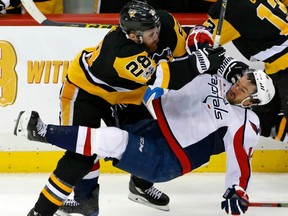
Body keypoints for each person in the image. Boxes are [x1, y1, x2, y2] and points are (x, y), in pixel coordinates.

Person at [20, 0, 226, 215]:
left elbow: (186, 52)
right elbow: (168, 78)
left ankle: (141, 186)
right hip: (85, 91)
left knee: (151, 137)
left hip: (125, 93)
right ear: (133, 36)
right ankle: (52, 208)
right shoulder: (120, 52)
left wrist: (199, 39)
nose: (156, 35)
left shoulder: (164, 22)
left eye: (156, 29)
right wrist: (202, 63)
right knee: (81, 156)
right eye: (150, 33)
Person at [15, 69, 275, 216]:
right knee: (110, 100)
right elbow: (191, 55)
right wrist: (201, 40)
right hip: (154, 124)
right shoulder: (216, 79)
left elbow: (241, 157)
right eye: (240, 81)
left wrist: (237, 189)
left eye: (243, 90)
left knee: (113, 140)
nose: (236, 88)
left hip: (168, 159)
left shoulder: (244, 120)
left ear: (252, 102)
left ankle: (43, 131)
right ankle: (87, 200)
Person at [203, 0, 288, 142]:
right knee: (261, 118)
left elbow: (199, 43)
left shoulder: (227, 9)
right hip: (276, 68)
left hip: (282, 67)